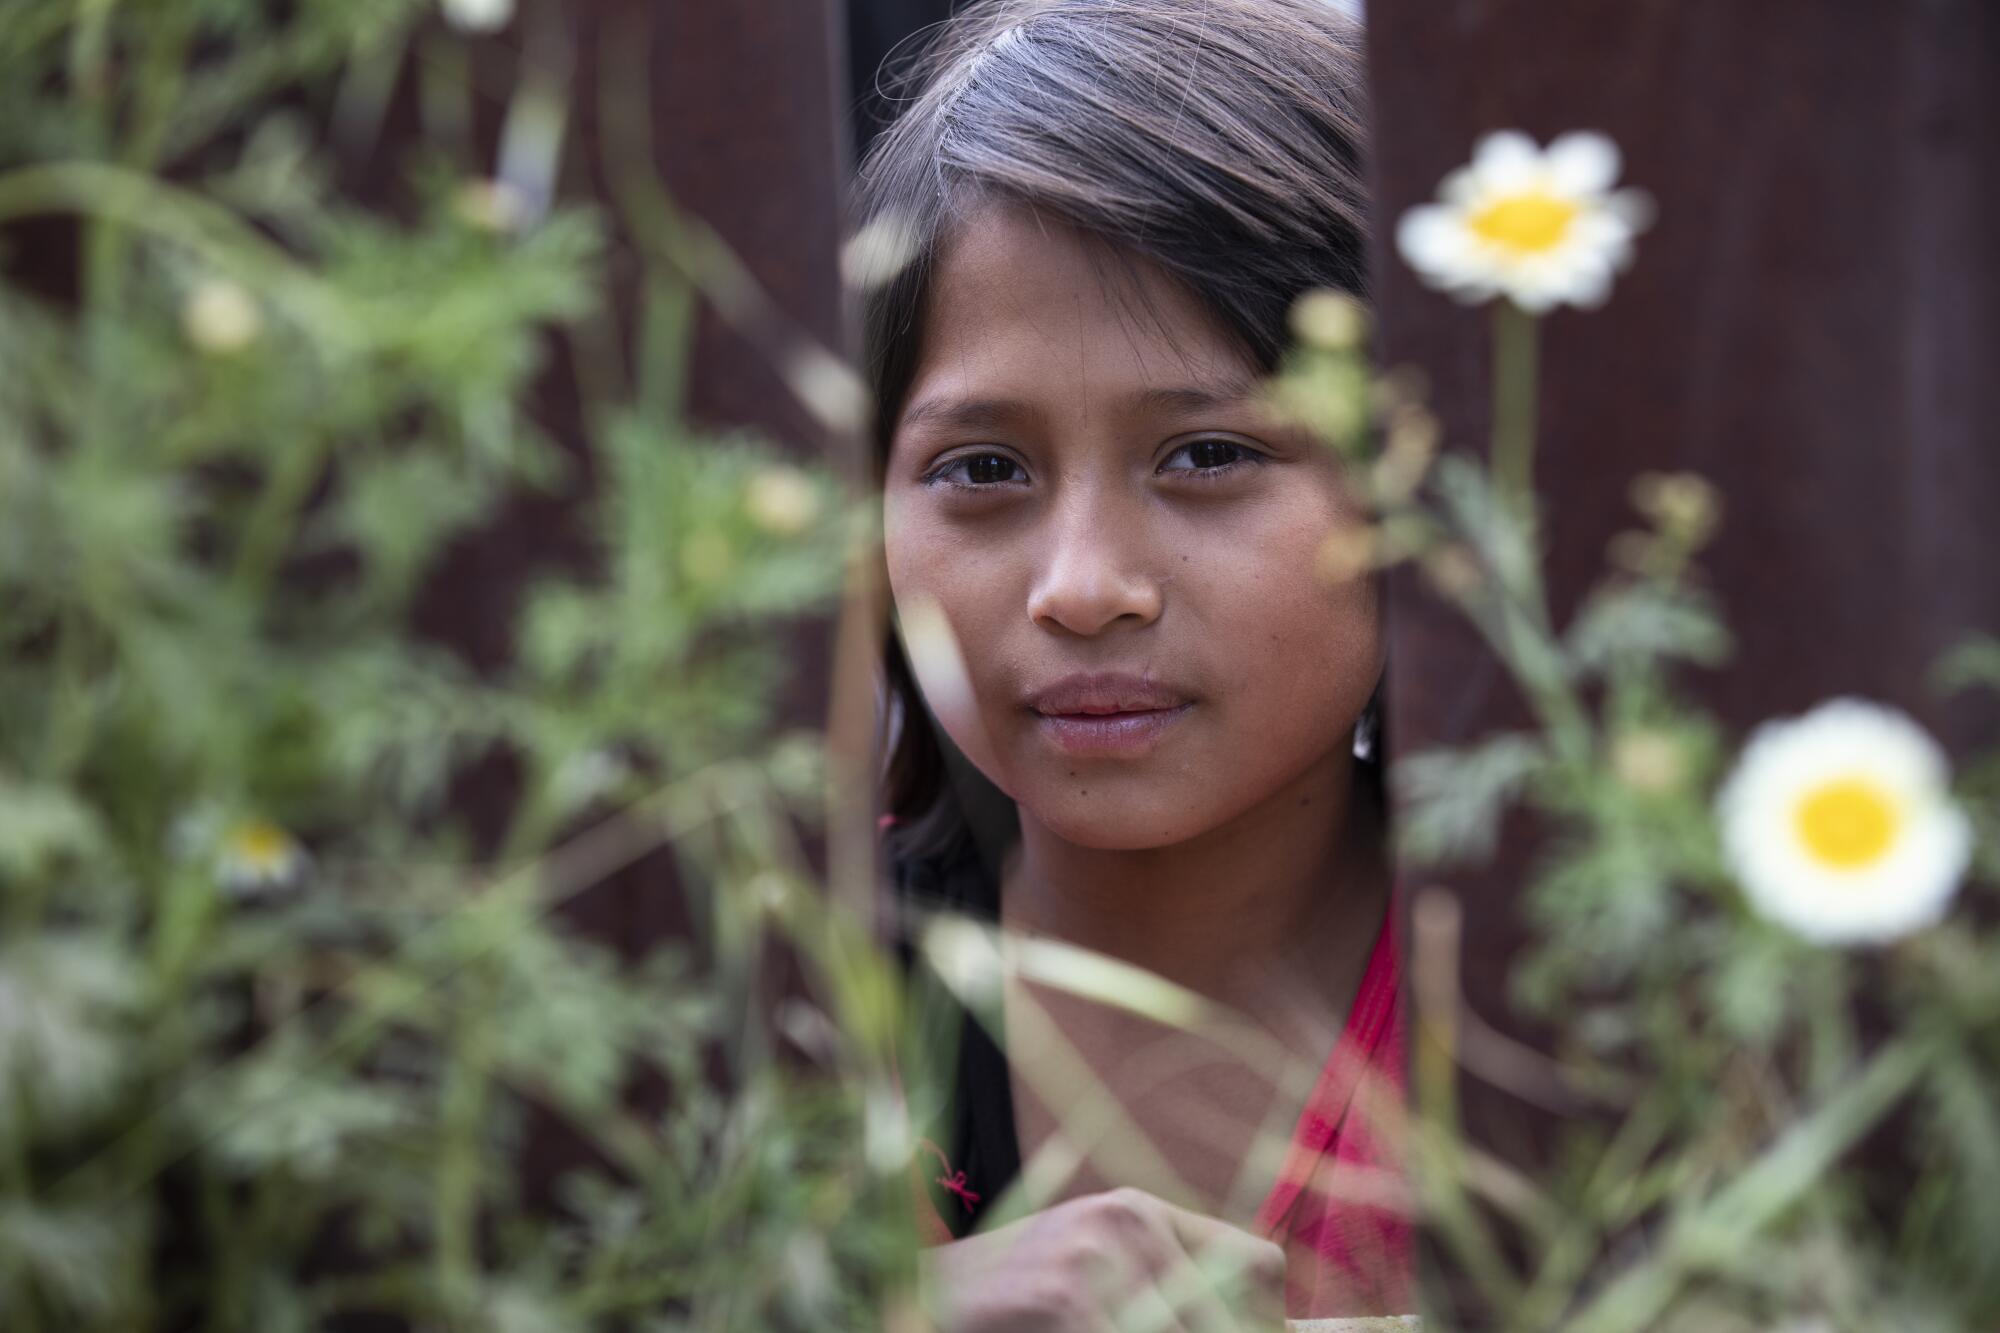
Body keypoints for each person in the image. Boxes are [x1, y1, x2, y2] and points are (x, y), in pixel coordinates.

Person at [851, 1, 1410, 1325]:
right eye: (982, 469)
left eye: (1208, 454)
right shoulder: (785, 989)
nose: (1083, 586)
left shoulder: (1563, 1005)